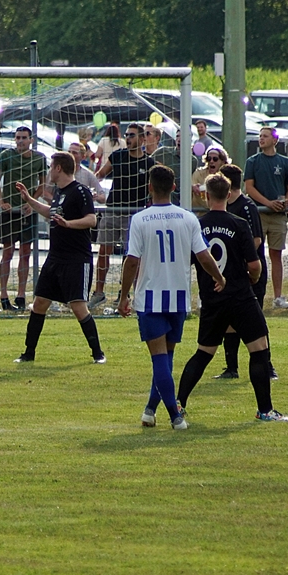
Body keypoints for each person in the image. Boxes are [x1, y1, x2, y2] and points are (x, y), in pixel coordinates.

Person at [175, 173, 288, 422]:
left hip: (211, 299)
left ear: (207, 196)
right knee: (259, 350)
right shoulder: (239, 224)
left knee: (203, 353)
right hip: (240, 296)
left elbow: (190, 261)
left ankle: (179, 404)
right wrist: (252, 279)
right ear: (228, 195)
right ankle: (265, 410)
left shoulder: (197, 225)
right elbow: (255, 264)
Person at [118, 165, 224, 430]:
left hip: (150, 297)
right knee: (166, 358)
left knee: (159, 359)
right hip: (178, 297)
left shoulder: (140, 219)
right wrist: (219, 277)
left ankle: (175, 416)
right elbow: (203, 256)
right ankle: (150, 410)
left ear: (149, 187)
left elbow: (132, 261)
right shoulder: (188, 218)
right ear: (174, 187)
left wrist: (123, 296)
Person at [12, 152, 105, 364]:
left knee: (78, 307)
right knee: (39, 303)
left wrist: (68, 224)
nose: (49, 171)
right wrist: (30, 200)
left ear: (59, 168)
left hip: (76, 258)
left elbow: (91, 220)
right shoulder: (58, 192)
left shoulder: (80, 191)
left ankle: (98, 353)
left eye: (51, 167)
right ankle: (28, 353)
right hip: (55, 257)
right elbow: (51, 212)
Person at [212, 163, 276, 380]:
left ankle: (268, 366)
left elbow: (256, 240)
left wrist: (240, 259)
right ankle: (231, 368)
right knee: (229, 320)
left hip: (251, 273)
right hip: (232, 274)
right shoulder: (224, 207)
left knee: (255, 320)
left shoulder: (247, 207)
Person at [92, 122, 156, 307]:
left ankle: (132, 295)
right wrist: (96, 192)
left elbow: (154, 187)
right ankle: (99, 293)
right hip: (113, 210)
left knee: (133, 256)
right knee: (103, 251)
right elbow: (99, 175)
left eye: (132, 135)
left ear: (142, 139)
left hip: (135, 215)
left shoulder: (149, 163)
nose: (128, 138)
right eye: (126, 135)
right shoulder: (118, 156)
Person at [0, 126, 46, 312]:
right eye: (17, 137)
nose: (20, 141)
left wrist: (32, 202)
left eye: (24, 137)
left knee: (25, 252)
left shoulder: (39, 158)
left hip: (27, 212)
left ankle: (21, 295)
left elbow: (43, 184)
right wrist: (1, 202)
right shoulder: (6, 155)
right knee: (7, 252)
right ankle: (4, 295)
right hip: (10, 212)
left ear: (31, 140)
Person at [244, 127, 288, 309]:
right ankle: (253, 293)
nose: (261, 139)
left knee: (276, 254)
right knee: (255, 252)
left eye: (265, 136)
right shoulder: (252, 161)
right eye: (260, 136)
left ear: (275, 140)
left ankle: (278, 296)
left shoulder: (284, 162)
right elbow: (249, 187)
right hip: (258, 214)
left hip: (278, 216)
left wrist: (287, 201)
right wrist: (267, 203)